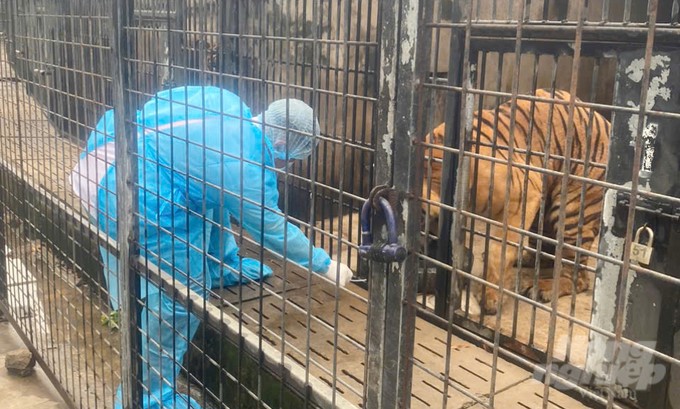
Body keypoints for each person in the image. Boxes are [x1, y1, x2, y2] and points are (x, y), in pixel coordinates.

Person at [69, 85, 354, 409]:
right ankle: (148, 396)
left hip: (106, 155)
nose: (284, 164)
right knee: (178, 293)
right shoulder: (243, 162)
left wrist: (223, 262)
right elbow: (270, 227)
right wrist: (324, 265)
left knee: (205, 199)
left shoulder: (229, 107)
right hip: (132, 190)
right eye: (287, 158)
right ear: (280, 143)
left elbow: (212, 192)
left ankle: (221, 265)